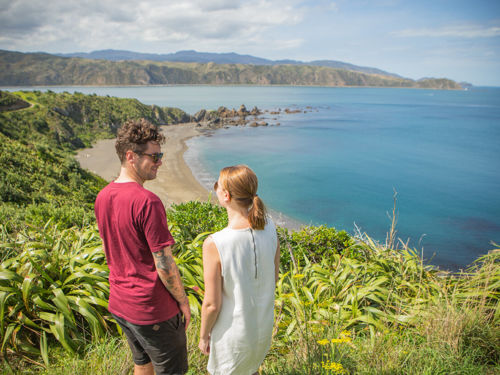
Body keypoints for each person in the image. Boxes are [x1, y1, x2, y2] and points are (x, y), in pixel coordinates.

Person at [94, 118, 190, 375]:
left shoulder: (103, 196)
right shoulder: (148, 202)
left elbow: (108, 250)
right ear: (131, 156)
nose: (160, 162)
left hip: (121, 304)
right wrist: (183, 301)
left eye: (161, 155)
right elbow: (164, 263)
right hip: (151, 310)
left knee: (142, 365)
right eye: (154, 156)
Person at [198, 165, 280, 375]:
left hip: (231, 337)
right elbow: (274, 276)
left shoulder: (215, 243)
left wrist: (203, 335)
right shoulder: (270, 227)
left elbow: (211, 305)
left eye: (217, 184)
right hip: (260, 331)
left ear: (225, 195)